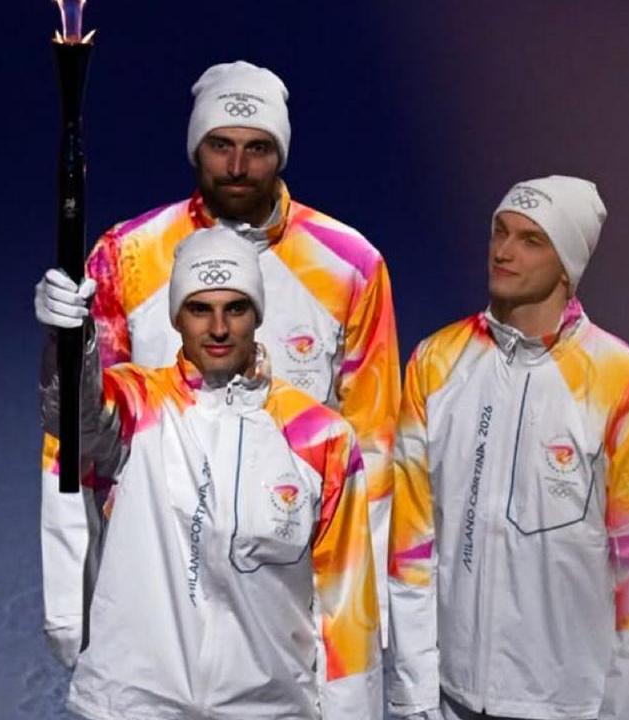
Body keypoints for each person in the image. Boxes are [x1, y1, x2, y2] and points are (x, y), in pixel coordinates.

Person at [40, 59, 400, 650]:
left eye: (257, 147)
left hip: (282, 594)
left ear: (281, 152)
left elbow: (376, 446)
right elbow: (76, 438)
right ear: (194, 148)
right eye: (220, 145)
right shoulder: (128, 255)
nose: (237, 167)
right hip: (152, 585)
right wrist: (66, 609)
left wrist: (360, 619)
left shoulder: (349, 266)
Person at [35, 226, 382, 719]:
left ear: (257, 314)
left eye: (235, 308)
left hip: (268, 709)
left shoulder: (318, 437)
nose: (218, 328)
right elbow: (75, 413)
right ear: (177, 316)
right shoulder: (141, 403)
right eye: (200, 308)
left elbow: (346, 609)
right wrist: (66, 341)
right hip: (133, 705)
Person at [385, 176, 629, 720]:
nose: (503, 251)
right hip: (449, 698)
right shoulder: (436, 363)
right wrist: (412, 697)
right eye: (499, 232)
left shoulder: (623, 386)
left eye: (530, 240)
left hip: (566, 705)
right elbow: (410, 546)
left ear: (568, 264)